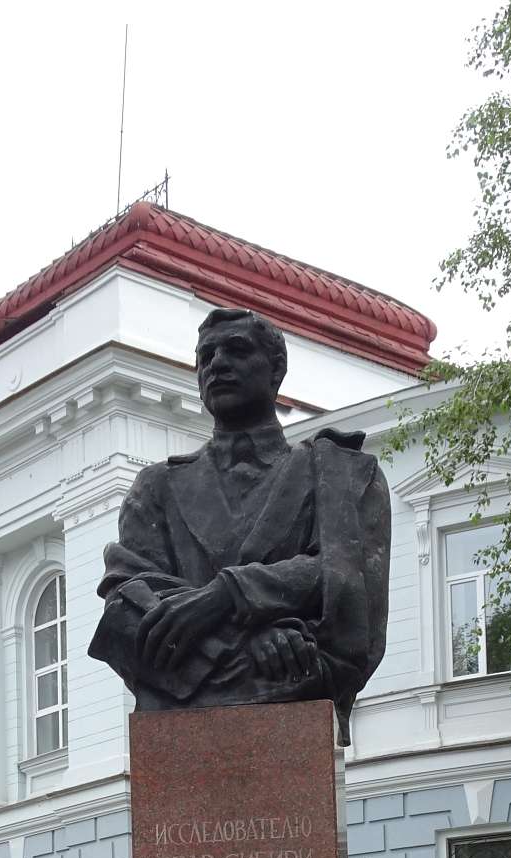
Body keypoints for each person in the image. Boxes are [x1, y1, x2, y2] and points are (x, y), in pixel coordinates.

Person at [87, 307, 390, 742]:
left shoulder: (339, 473)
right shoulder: (158, 487)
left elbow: (347, 588)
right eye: (205, 356)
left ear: (277, 370)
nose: (217, 364)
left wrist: (224, 596)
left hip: (296, 721)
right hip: (185, 735)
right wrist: (254, 641)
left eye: (236, 350)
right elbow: (128, 608)